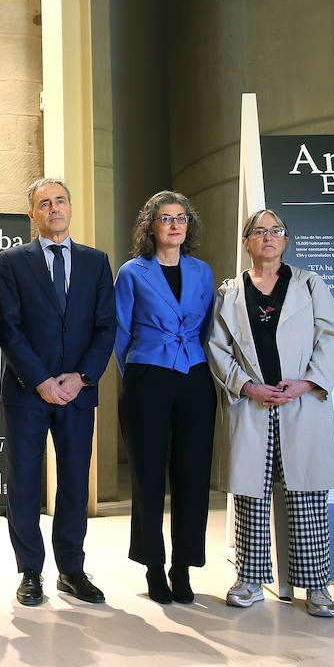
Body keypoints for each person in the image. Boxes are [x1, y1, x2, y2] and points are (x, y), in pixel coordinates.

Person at [206, 208, 334, 618]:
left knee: (306, 494)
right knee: (251, 494)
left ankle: (317, 585)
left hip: (300, 402)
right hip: (252, 404)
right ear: (247, 241)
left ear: (285, 240)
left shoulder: (309, 284)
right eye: (259, 232)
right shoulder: (229, 292)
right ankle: (249, 579)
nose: (268, 237)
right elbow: (216, 348)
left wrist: (306, 383)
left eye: (277, 231)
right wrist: (246, 385)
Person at [0, 177, 116, 606]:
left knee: (73, 482)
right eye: (44, 204)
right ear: (32, 214)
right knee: (24, 482)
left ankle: (71, 569)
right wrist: (42, 380)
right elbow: (7, 327)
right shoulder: (12, 262)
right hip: (28, 392)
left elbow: (106, 327)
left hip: (78, 392)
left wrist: (81, 377)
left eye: (60, 201)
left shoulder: (96, 261)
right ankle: (30, 571)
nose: (54, 209)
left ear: (70, 207)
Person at [114, 191, 216, 604]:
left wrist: (193, 360)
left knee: (192, 474)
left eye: (181, 218)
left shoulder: (203, 272)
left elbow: (209, 326)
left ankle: (183, 566)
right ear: (151, 226)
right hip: (147, 376)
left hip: (194, 374)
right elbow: (120, 333)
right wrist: (139, 372)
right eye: (165, 218)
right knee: (148, 474)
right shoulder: (132, 272)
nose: (174, 225)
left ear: (188, 226)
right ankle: (154, 566)